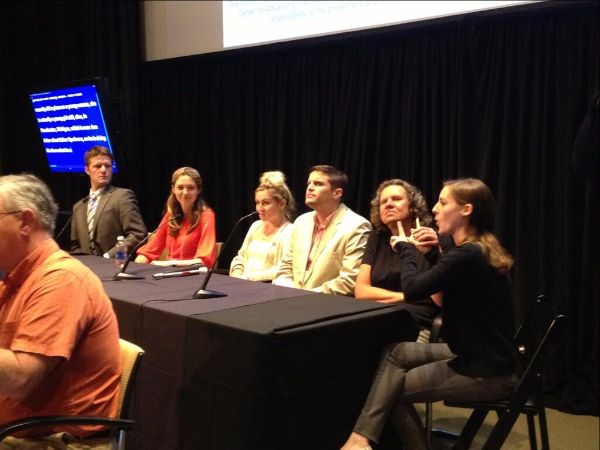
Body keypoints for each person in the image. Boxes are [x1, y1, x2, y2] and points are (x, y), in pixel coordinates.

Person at [341, 178, 517, 450]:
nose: (435, 209)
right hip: (481, 354)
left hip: (485, 370)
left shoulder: (466, 255)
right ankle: (360, 439)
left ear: (466, 210)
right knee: (396, 352)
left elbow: (412, 289)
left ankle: (364, 441)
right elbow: (438, 288)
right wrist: (432, 252)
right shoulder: (476, 248)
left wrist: (407, 249)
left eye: (443, 202)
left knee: (392, 391)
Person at [0, 174, 120, 446]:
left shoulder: (61, 279)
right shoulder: (15, 279)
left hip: (54, 442)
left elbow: (20, 379)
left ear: (25, 222)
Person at [273, 165, 371, 295]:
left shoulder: (357, 225)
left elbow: (349, 281)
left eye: (318, 184)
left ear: (337, 193)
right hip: (290, 299)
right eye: (309, 183)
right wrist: (288, 291)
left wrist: (305, 296)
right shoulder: (301, 222)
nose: (310, 188)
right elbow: (285, 267)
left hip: (327, 306)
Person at [355, 179, 441, 327]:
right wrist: (405, 296)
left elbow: (434, 297)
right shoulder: (377, 238)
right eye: (383, 202)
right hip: (378, 311)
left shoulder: (431, 238)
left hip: (415, 317)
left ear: (412, 205)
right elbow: (361, 291)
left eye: (396, 199)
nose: (389, 204)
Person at [70, 145, 147, 257]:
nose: (103, 170)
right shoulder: (78, 206)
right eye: (98, 166)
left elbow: (138, 234)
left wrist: (109, 256)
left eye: (107, 166)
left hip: (114, 265)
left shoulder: (122, 196)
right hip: (87, 268)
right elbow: (75, 246)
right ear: (87, 170)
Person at [135, 166, 217, 267]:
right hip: (169, 274)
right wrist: (136, 264)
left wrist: (171, 263)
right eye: (180, 187)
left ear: (198, 190)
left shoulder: (207, 215)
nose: (185, 192)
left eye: (191, 188)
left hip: (195, 276)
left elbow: (204, 261)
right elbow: (150, 251)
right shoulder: (170, 215)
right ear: (173, 189)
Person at [229, 171, 296, 281]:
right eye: (257, 202)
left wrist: (248, 278)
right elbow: (240, 257)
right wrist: (237, 273)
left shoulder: (290, 231)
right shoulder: (256, 226)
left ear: (282, 204)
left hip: (268, 289)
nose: (259, 208)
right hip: (243, 284)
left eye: (265, 203)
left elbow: (283, 269)